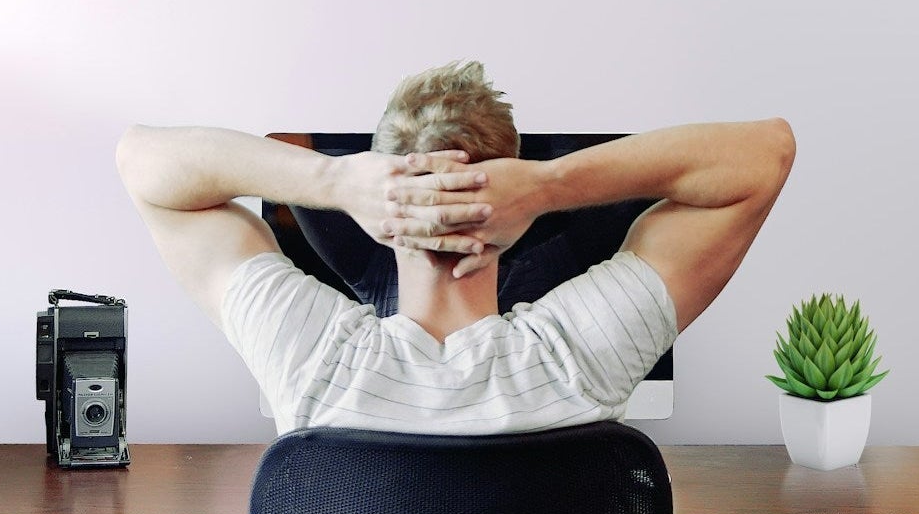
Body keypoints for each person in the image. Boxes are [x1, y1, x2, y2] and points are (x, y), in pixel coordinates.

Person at [116, 61, 795, 434]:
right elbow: (765, 155)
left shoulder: (310, 358)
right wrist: (550, 184)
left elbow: (141, 162)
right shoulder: (581, 355)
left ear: (382, 215)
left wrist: (334, 178)